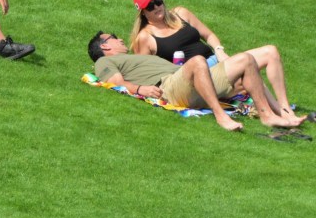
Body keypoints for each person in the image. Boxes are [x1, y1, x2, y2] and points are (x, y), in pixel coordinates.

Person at [128, 0, 300, 123]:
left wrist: (219, 51)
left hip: (216, 61)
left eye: (158, 1)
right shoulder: (145, 38)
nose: (157, 7)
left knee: (271, 51)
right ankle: (276, 113)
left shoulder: (180, 14)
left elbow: (209, 35)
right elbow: (144, 70)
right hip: (196, 74)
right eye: (150, 6)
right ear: (143, 12)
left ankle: (284, 108)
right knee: (246, 71)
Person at [87, 31, 304, 131]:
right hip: (170, 88)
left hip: (191, 82)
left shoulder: (132, 58)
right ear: (104, 46)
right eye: (113, 37)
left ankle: (274, 113)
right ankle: (220, 116)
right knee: (197, 61)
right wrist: (141, 88)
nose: (120, 38)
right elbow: (115, 83)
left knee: (251, 59)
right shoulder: (104, 62)